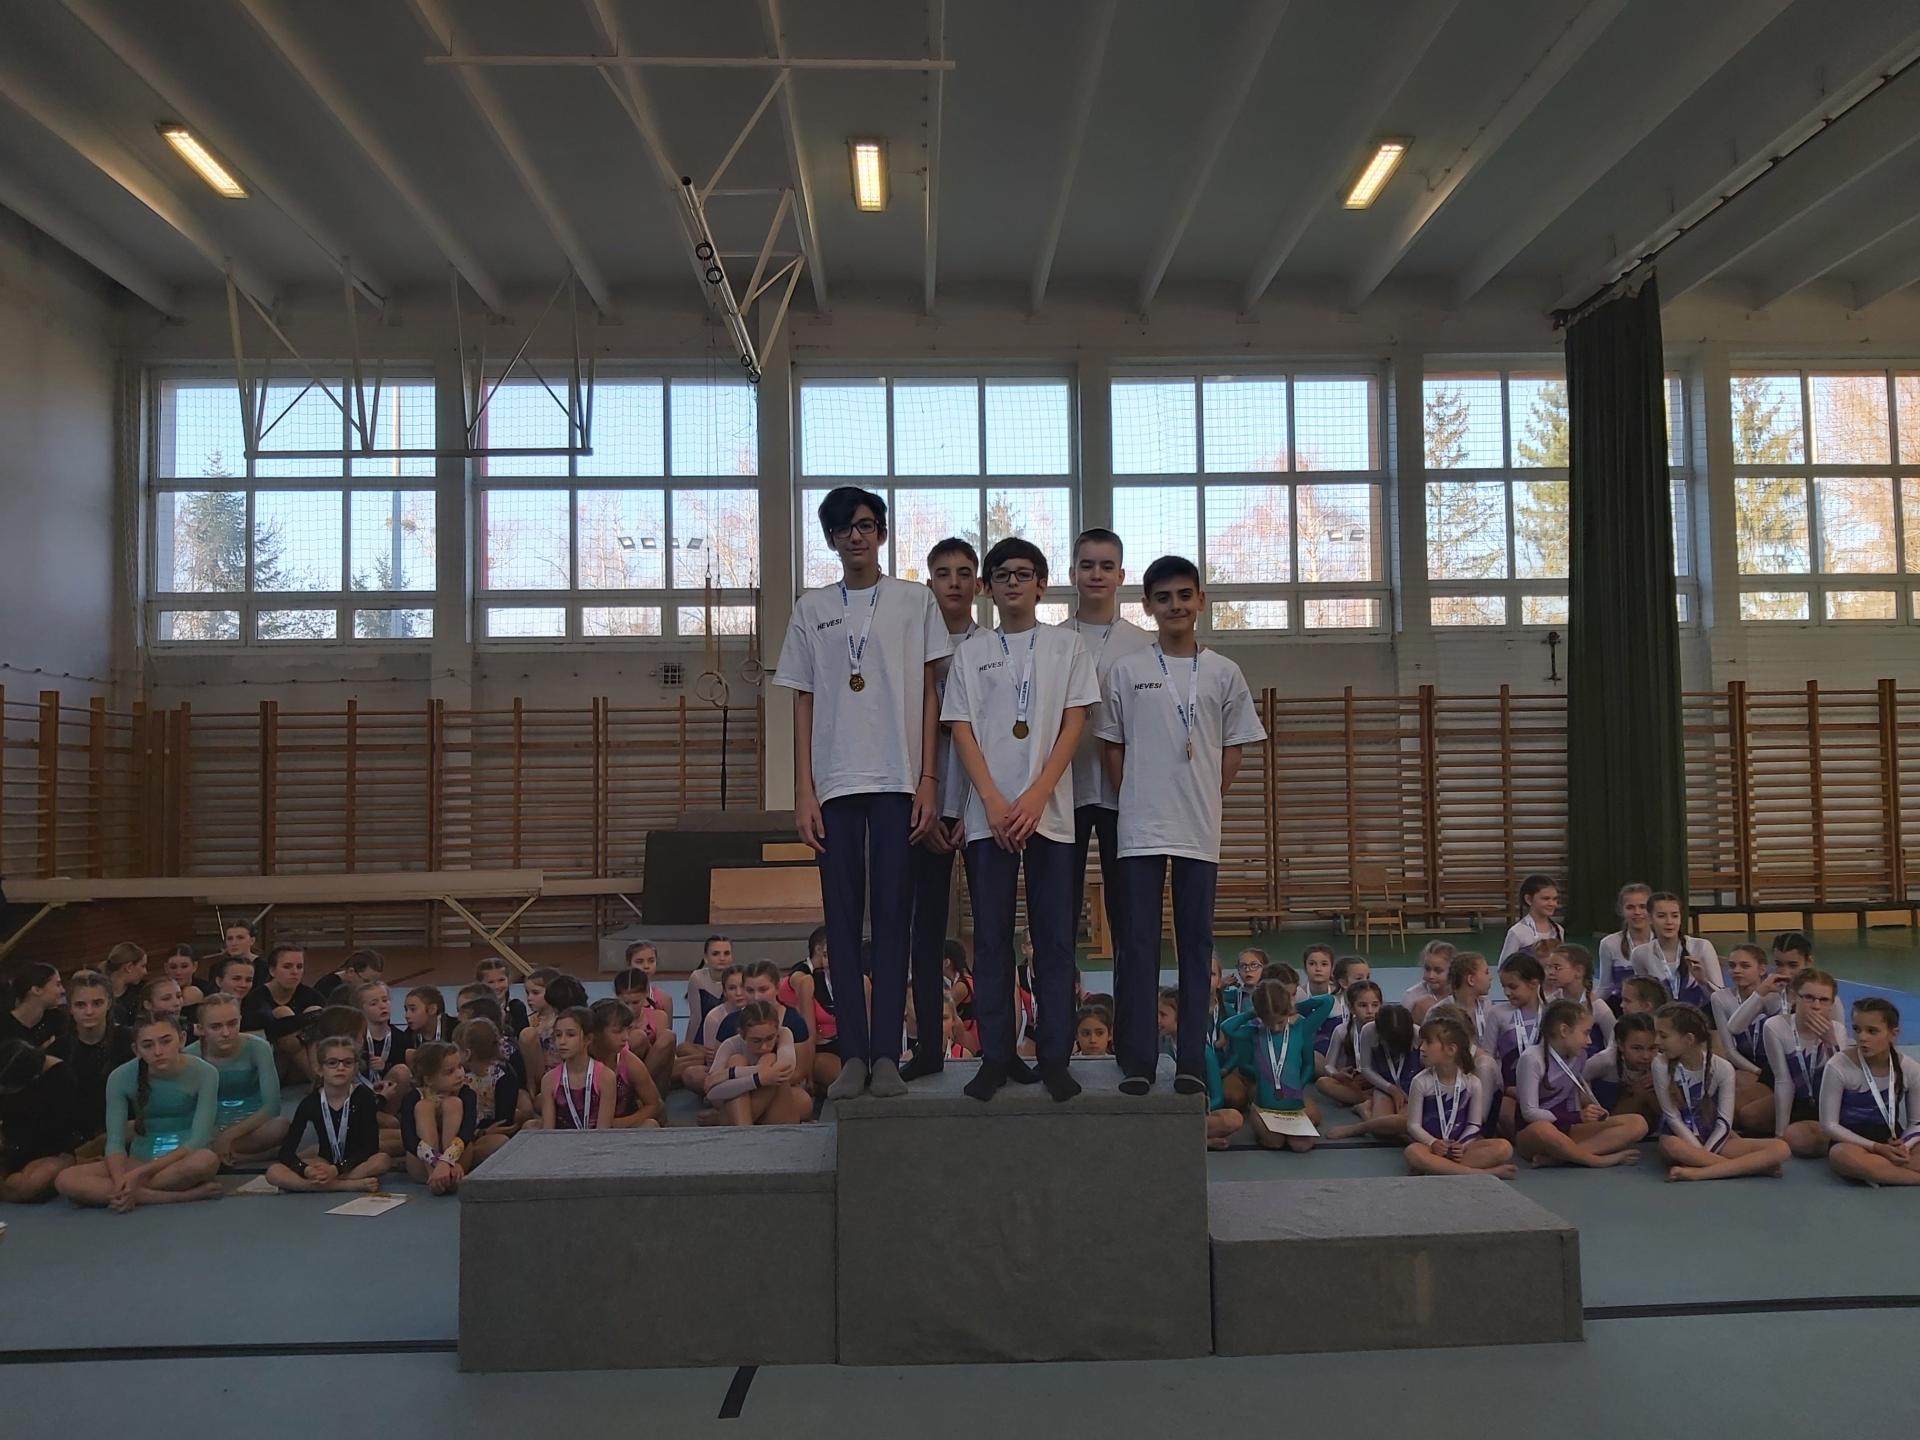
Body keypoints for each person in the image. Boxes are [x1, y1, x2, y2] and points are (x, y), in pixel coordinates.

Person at [776, 486, 954, 1101]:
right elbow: (803, 700)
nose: (856, 536)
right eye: (844, 528)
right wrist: (804, 789)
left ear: (881, 532)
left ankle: (887, 1053)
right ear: (830, 539)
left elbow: (930, 692)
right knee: (843, 924)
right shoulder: (811, 607)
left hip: (898, 780)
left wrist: (928, 778)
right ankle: (853, 1052)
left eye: (867, 525)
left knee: (895, 918)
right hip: (836, 785)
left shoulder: (914, 600)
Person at [1100, 555, 1266, 1097]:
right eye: (1163, 597)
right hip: (1140, 830)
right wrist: (1136, 797)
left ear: (1201, 600)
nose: (1175, 605)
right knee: (1138, 945)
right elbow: (1112, 747)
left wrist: (1205, 797)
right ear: (1147, 605)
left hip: (1198, 829)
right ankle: (1139, 1059)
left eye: (1184, 595)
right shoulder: (1127, 670)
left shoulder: (1223, 672)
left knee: (1195, 946)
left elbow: (1234, 748)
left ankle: (1192, 1058)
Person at [943, 537, 1099, 1102]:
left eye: (1024, 573)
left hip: (1049, 816)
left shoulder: (1067, 647)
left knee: (1054, 941)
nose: (1014, 582)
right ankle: (997, 1057)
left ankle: (1055, 1058)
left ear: (1042, 584)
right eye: (1003, 574)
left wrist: (1036, 795)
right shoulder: (971, 653)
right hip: (989, 818)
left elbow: (1074, 723)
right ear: (987, 587)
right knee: (990, 941)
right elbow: (961, 727)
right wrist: (989, 798)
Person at [1065, 528, 1155, 1042]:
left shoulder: (1144, 646)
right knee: (1060, 922)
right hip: (1065, 794)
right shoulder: (1053, 640)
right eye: (1087, 565)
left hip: (1128, 797)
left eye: (1106, 566)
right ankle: (1060, 1035)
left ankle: (1134, 1037)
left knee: (1132, 923)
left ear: (1121, 575)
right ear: (1072, 574)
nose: (1096, 574)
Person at [901, 536, 982, 1084]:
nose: (954, 582)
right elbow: (899, 730)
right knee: (925, 933)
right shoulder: (910, 648)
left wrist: (975, 808)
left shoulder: (993, 648)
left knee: (991, 934)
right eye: (943, 573)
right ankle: (928, 1046)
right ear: (929, 582)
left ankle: (998, 1047)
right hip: (925, 805)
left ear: (979, 583)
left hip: (981, 807)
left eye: (963, 572)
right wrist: (921, 799)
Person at [55, 1015, 223, 1210]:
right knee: (65, 1179)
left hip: (182, 1160)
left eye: (166, 1041)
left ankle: (121, 1193)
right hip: (138, 1160)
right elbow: (115, 1142)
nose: (158, 1051)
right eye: (147, 1045)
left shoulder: (206, 1072)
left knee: (205, 1160)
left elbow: (199, 1139)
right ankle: (178, 1196)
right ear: (136, 1050)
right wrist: (120, 1179)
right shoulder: (120, 1077)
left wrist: (139, 1175)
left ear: (182, 1039)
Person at [1653, 1002, 1790, 1181]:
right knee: (1671, 1145)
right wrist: (1698, 1150)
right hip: (1680, 1138)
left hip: (1716, 1136)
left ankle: (1699, 1172)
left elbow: (1724, 1122)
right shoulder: (1660, 1064)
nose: (1656, 1041)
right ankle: (1748, 1168)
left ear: (1688, 1039)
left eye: (1663, 1036)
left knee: (1781, 1148)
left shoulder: (1723, 1068)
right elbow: (1672, 1117)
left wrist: (1703, 1155)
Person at [1513, 1000, 1646, 1168]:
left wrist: (1591, 1112)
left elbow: (1572, 1097)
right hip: (1534, 1133)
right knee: (1543, 1129)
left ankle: (1563, 1157)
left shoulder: (1579, 1056)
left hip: (1568, 1128)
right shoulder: (1532, 1059)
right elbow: (1529, 1113)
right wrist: (1577, 1116)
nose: (1589, 1041)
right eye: (1585, 1033)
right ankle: (1597, 1160)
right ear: (1564, 1031)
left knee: (1638, 1123)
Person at [264, 1036, 390, 1193]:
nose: (340, 1068)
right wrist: (306, 1170)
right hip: (324, 1161)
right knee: (274, 1171)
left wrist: (337, 1169)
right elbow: (286, 1152)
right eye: (332, 1063)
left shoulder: (364, 1097)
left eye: (347, 1063)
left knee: (382, 1160)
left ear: (356, 1067)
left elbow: (370, 1147)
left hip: (355, 1163)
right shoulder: (310, 1103)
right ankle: (346, 1185)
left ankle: (317, 1185)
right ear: (319, 1069)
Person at [1225, 980, 1336, 1151]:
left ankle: (1282, 1127)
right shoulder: (1255, 1032)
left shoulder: (1300, 1028)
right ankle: (1258, 1118)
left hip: (1292, 1105)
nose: (1276, 1027)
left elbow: (1328, 1001)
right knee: (1274, 1143)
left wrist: (1293, 1007)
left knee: (1302, 1146)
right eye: (1270, 1022)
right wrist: (1253, 1012)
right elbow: (1227, 1027)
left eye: (1280, 1021)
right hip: (1265, 1106)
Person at [1822, 997, 1920, 1186]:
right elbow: (1829, 1125)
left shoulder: (1910, 1068)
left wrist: (1905, 1145)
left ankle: (1879, 1172)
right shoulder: (1838, 1066)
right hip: (1852, 1143)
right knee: (1840, 1155)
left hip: (1893, 1140)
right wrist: (1875, 1147)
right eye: (1857, 1029)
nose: (1862, 1037)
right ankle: (1906, 1175)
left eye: (1872, 1031)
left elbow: (1916, 1123)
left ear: (1893, 1033)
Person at [1404, 1016, 1516, 1178]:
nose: (1421, 1048)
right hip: (1430, 1147)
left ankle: (1436, 1167)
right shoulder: (1420, 1082)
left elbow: (1474, 1124)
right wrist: (1432, 1142)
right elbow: (1413, 1125)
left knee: (1504, 1147)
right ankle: (1483, 1173)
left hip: (1460, 1149)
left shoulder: (1472, 1083)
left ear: (1451, 1050)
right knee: (1413, 1151)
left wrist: (1461, 1145)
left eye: (1428, 1043)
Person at [186, 993, 286, 1167]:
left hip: (251, 1124)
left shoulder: (258, 1047)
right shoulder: (190, 1056)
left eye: (232, 1024)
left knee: (281, 1126)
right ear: (201, 1029)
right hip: (210, 1126)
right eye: (216, 1027)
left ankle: (225, 1153)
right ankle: (244, 1155)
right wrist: (214, 1134)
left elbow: (272, 1106)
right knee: (184, 1135)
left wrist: (229, 1136)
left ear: (241, 1020)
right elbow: (188, 1109)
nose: (226, 1033)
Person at [1763, 968, 1843, 1156]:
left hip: (1828, 1104)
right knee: (1749, 1117)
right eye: (1808, 998)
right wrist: (1779, 1134)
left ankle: (1839, 1140)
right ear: (1794, 997)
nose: (1816, 1006)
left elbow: (1842, 1083)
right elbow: (1783, 1080)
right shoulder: (1775, 1026)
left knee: (1798, 1140)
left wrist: (1831, 1044)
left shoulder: (1837, 1030)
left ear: (1832, 1004)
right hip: (1797, 1099)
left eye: (1824, 1000)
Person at [706, 999, 812, 1127]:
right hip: (744, 1102)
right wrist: (758, 1078)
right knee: (737, 1060)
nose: (764, 1046)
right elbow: (711, 1091)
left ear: (777, 1030)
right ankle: (744, 1127)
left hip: (776, 1111)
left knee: (770, 1059)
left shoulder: (784, 1033)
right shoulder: (731, 1044)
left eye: (770, 1038)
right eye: (756, 1041)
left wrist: (730, 1074)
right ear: (742, 1034)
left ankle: (730, 1122)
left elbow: (785, 1069)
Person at [0, 1038, 83, 1200]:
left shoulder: (63, 1079)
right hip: (10, 1147)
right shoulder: (7, 1067)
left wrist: (9, 1146)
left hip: (49, 1152)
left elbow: (55, 1135)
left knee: (27, 1184)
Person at [53, 969, 125, 1151]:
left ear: (109, 1003)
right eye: (80, 1005)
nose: (89, 1011)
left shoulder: (128, 1041)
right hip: (73, 1140)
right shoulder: (58, 1049)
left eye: (97, 1003)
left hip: (123, 1133)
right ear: (70, 1008)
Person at [1710, 943, 1778, 1134]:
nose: (1737, 971)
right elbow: (1729, 1050)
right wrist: (1756, 1071)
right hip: (1747, 1067)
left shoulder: (1775, 997)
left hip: (1774, 1069)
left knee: (1744, 1111)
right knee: (1730, 1091)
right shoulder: (1720, 998)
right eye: (1732, 966)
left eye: (1745, 966)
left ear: (1762, 969)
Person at [241, 942, 325, 1081]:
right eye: (287, 966)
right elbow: (267, 1028)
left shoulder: (310, 995)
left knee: (314, 1010)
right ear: (272, 971)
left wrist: (302, 1035)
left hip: (301, 1065)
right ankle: (317, 1079)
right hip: (272, 1062)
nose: (295, 972)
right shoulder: (257, 997)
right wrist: (306, 1023)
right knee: (283, 1012)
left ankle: (317, 1075)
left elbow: (330, 1019)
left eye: (299, 967)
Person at [401, 1041, 475, 1195]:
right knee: (424, 1107)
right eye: (450, 1071)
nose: (460, 1074)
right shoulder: (412, 1097)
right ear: (429, 1079)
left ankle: (446, 1174)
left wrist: (447, 1160)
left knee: (453, 1103)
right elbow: (409, 1139)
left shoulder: (467, 1094)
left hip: (457, 1160)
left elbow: (467, 1131)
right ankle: (435, 1177)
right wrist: (436, 1162)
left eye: (460, 1066)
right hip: (424, 1163)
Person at [1630, 892, 1722, 1008]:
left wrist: (1703, 981)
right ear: (1650, 918)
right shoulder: (1640, 954)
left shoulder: (1701, 947)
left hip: (1698, 1015)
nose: (1669, 922)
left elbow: (1721, 998)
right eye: (1661, 916)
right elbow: (1642, 999)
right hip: (1660, 1016)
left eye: (1675, 916)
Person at [455, 1017, 525, 1166]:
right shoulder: (458, 1074)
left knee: (500, 1142)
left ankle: (459, 1161)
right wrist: (479, 1132)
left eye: (456, 1050)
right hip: (460, 1133)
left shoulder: (504, 1076)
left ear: (467, 1053)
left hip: (482, 1137)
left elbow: (503, 1123)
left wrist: (483, 1133)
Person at [587, 999, 665, 1129]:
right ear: (595, 1033)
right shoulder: (578, 1058)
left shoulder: (629, 1062)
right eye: (618, 1032)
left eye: (628, 1030)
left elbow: (655, 1104)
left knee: (650, 1125)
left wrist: (618, 1124)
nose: (626, 1037)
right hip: (579, 1128)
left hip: (619, 1128)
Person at [541, 1006, 616, 1132]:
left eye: (570, 1035)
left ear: (588, 1039)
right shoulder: (549, 1080)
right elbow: (548, 1132)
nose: (562, 1041)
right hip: (561, 1142)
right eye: (558, 1035)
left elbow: (603, 1131)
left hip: (597, 1142)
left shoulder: (605, 1077)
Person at [1484, 954, 1547, 1094]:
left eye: (1513, 987)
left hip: (1545, 1089)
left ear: (1533, 984)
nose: (1506, 992)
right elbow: (1488, 1059)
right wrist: (1504, 1089)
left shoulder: (1551, 1012)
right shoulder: (1497, 1013)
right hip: (1510, 1090)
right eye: (1503, 986)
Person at [1316, 979, 1382, 1110]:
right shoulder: (1342, 1031)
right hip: (1354, 1083)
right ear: (1351, 1008)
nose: (1370, 1011)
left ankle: (1358, 1100)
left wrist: (1372, 1076)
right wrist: (1336, 1075)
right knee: (1323, 1083)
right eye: (1363, 1005)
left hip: (1378, 1083)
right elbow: (1328, 1065)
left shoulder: (1385, 1030)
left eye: (1375, 1005)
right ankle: (1367, 1101)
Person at [1583, 1011, 1660, 1123]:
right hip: (1605, 1119)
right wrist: (1586, 1103)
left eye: (1652, 1048)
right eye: (1637, 1048)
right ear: (1621, 1045)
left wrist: (1660, 1079)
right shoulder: (1606, 1061)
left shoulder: (1661, 1063)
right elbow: (1576, 1078)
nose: (1646, 1056)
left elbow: (1667, 1114)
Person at [1544, 943, 1614, 1056]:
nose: (1551, 972)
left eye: (1557, 968)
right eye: (1549, 967)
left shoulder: (1598, 1006)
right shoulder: (1550, 1002)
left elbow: (1613, 1045)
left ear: (1579, 971)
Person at [1596, 882, 1656, 1004]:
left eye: (1642, 907)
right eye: (1630, 907)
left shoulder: (1663, 942)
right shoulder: (1609, 944)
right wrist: (1588, 1007)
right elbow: (1605, 987)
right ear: (1621, 911)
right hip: (1622, 1006)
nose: (1637, 912)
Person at [681, 936, 735, 1046]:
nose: (722, 958)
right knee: (683, 1050)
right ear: (706, 958)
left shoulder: (738, 978)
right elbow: (695, 1018)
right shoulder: (697, 978)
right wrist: (688, 1044)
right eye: (716, 954)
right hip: (704, 1035)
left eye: (726, 953)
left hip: (730, 1035)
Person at [1499, 873, 1563, 962]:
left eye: (1555, 899)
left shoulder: (1558, 930)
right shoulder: (1517, 932)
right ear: (1528, 899)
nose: (1552, 903)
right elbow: (1504, 966)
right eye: (1546, 898)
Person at [357, 981, 409, 1091]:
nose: (382, 1006)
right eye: (374, 1003)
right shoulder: (355, 1038)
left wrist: (386, 1067)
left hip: (390, 1092)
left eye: (385, 1000)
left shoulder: (401, 1038)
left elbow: (405, 1073)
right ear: (361, 1009)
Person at [1, 962, 66, 1049]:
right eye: (58, 985)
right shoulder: (3, 1025)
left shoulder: (57, 1019)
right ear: (36, 990)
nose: (63, 990)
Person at [474, 957, 531, 1035]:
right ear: (480, 984)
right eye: (491, 982)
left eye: (501, 980)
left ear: (508, 979)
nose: (497, 986)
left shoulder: (517, 1007)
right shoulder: (473, 1010)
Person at [313, 947, 383, 1003]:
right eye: (366, 981)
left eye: (374, 983)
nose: (370, 987)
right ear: (351, 972)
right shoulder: (327, 988)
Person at [104, 943, 149, 1028]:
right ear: (129, 967)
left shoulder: (142, 990)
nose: (145, 972)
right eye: (143, 966)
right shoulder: (100, 992)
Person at [1402, 941, 1455, 1012]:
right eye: (1427, 969)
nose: (1431, 976)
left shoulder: (1460, 995)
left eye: (1438, 971)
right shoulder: (1411, 996)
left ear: (1452, 971)